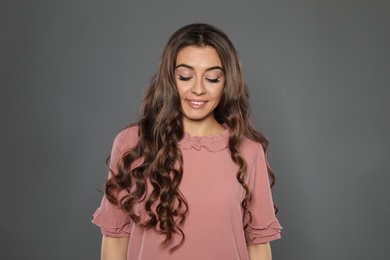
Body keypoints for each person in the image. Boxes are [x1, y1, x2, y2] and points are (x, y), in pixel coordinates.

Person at [92, 23, 282, 260]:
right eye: (185, 76)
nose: (198, 89)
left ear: (226, 83)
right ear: (170, 78)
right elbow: (115, 239)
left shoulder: (248, 151)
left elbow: (258, 246)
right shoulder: (133, 143)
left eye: (212, 78)